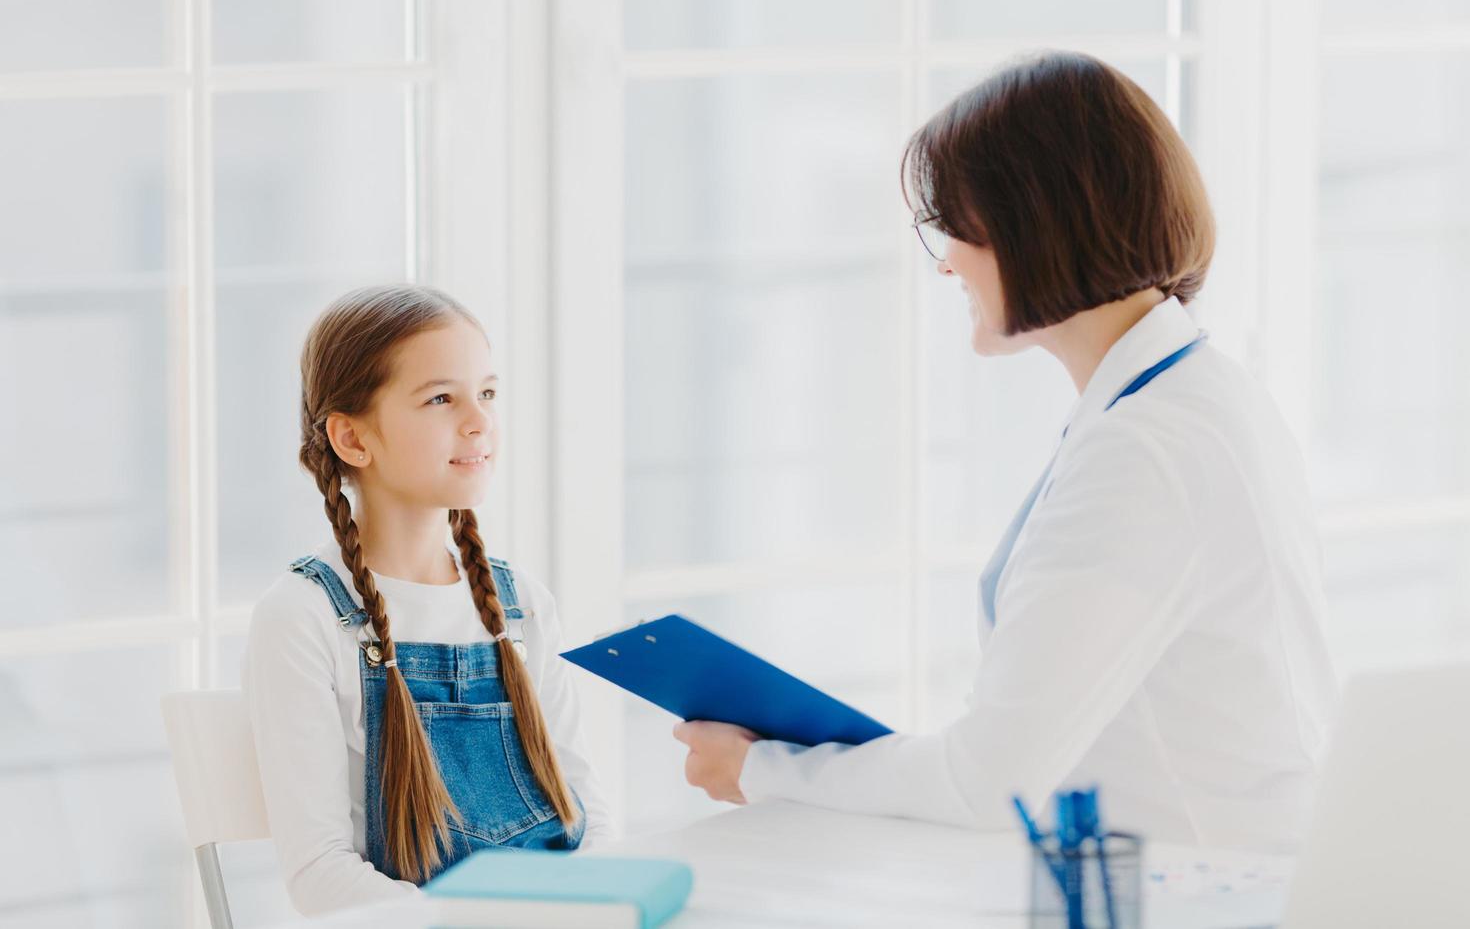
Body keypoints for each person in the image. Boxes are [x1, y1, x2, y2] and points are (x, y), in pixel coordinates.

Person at [674, 51, 1337, 854]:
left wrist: (765, 769)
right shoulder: (1193, 396)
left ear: (1035, 225)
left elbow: (987, 779)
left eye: (955, 227)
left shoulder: (1144, 450)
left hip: (1195, 892)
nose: (945, 260)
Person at [245, 285, 611, 914]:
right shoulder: (303, 617)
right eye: (441, 398)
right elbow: (320, 876)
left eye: (487, 393)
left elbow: (587, 817)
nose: (479, 421)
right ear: (353, 439)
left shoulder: (521, 603)